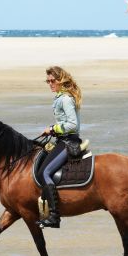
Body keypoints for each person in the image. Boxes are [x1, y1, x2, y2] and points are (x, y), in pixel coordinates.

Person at [36, 66, 82, 228]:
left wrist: (53, 129)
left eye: (52, 80)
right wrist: (52, 130)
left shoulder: (65, 99)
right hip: (61, 139)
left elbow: (72, 124)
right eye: (47, 81)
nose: (50, 83)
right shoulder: (59, 97)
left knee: (45, 172)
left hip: (69, 141)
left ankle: (54, 216)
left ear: (60, 80)